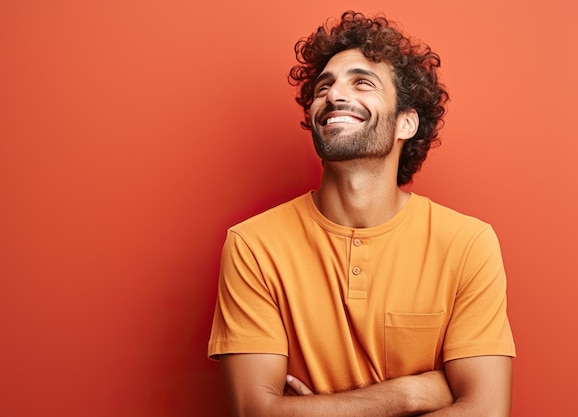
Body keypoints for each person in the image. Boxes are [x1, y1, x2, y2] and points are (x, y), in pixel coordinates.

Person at [208, 10, 515, 417]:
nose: (334, 96)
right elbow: (255, 411)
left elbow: (487, 412)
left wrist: (314, 411)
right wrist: (412, 395)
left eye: (362, 83)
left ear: (406, 123)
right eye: (324, 86)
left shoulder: (467, 243)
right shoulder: (253, 245)